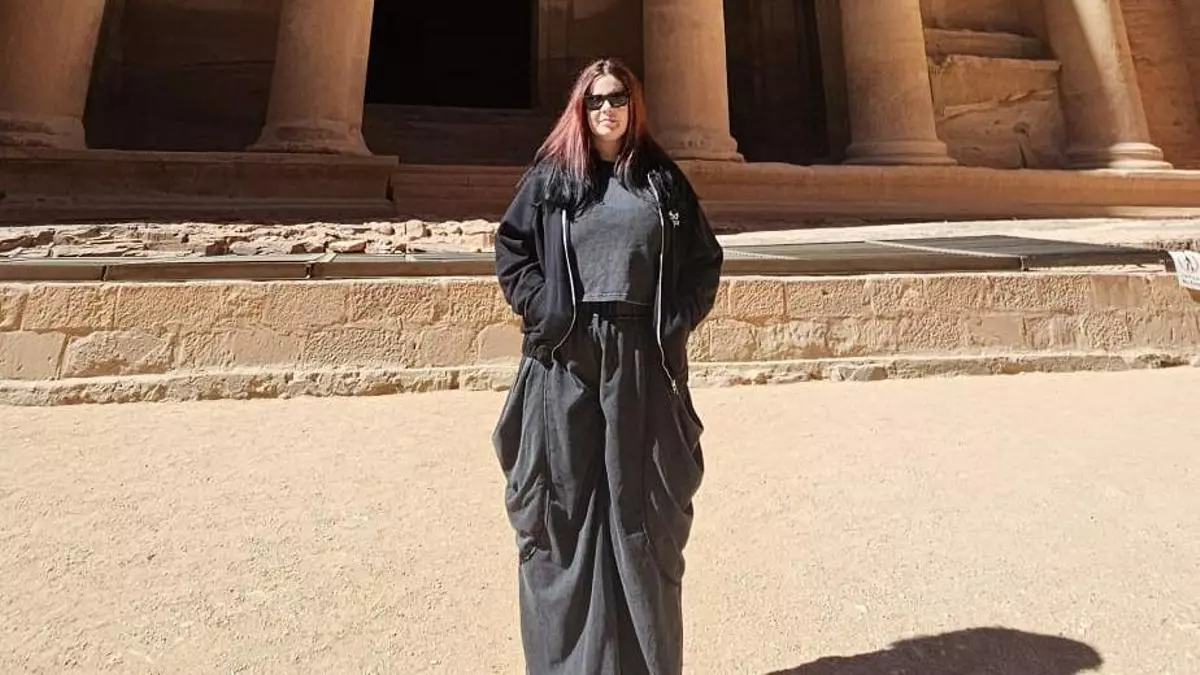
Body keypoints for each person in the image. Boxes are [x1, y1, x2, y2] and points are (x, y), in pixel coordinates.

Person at [492, 57, 723, 675]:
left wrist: (674, 322)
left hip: (641, 357)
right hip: (566, 357)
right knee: (561, 511)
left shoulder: (661, 180)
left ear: (633, 104)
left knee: (642, 510)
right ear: (580, 107)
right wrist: (544, 312)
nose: (607, 109)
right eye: (595, 99)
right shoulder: (552, 177)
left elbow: (704, 260)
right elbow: (512, 249)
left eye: (617, 97)